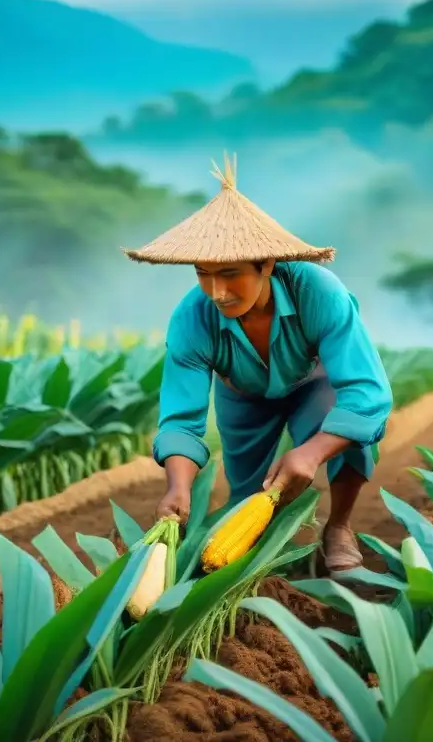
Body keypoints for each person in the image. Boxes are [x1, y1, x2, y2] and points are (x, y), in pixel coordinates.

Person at [122, 155, 393, 574]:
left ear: (266, 264)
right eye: (203, 274)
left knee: (350, 441)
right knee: (247, 489)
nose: (216, 291)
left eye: (230, 274)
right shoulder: (191, 319)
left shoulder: (319, 293)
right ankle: (254, 562)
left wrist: (313, 451)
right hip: (242, 394)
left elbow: (367, 393)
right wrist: (178, 485)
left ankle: (339, 527)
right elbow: (181, 418)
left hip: (313, 384)